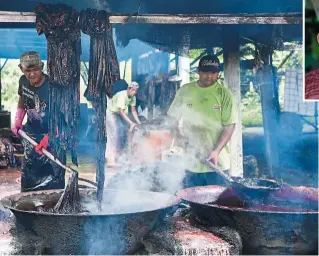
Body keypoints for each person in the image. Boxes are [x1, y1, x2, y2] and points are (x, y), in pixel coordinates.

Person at [167, 54, 237, 188]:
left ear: (218, 74)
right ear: (198, 71)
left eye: (213, 72)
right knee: (191, 201)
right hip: (191, 160)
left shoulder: (224, 94)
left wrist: (216, 151)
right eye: (205, 72)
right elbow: (172, 119)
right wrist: (178, 137)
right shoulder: (185, 91)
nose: (209, 76)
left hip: (217, 163)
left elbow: (229, 126)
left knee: (219, 203)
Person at [11, 51, 65, 192]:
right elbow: (22, 99)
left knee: (53, 182)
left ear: (41, 68)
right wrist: (18, 119)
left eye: (35, 70)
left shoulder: (51, 86)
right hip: (32, 135)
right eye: (28, 70)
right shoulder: (23, 81)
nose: (32, 74)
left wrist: (50, 138)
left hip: (53, 136)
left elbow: (61, 117)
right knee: (30, 178)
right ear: (22, 69)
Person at [105, 81, 141, 166]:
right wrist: (131, 123)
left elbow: (133, 110)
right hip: (111, 112)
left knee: (122, 132)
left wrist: (139, 122)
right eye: (133, 90)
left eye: (136, 91)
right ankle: (111, 160)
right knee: (114, 134)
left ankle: (119, 157)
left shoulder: (133, 97)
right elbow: (121, 112)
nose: (134, 92)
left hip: (117, 113)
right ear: (129, 89)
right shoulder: (122, 96)